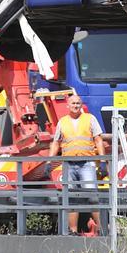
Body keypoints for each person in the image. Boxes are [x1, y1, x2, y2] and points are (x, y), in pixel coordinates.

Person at [48, 91, 104, 236]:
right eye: (73, 103)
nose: (76, 106)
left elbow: (98, 140)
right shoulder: (62, 122)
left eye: (78, 103)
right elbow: (56, 143)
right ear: (68, 105)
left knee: (92, 196)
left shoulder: (90, 119)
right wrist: (49, 160)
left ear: (81, 105)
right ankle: (72, 230)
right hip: (69, 164)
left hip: (87, 163)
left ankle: (101, 229)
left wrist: (103, 160)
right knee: (72, 198)